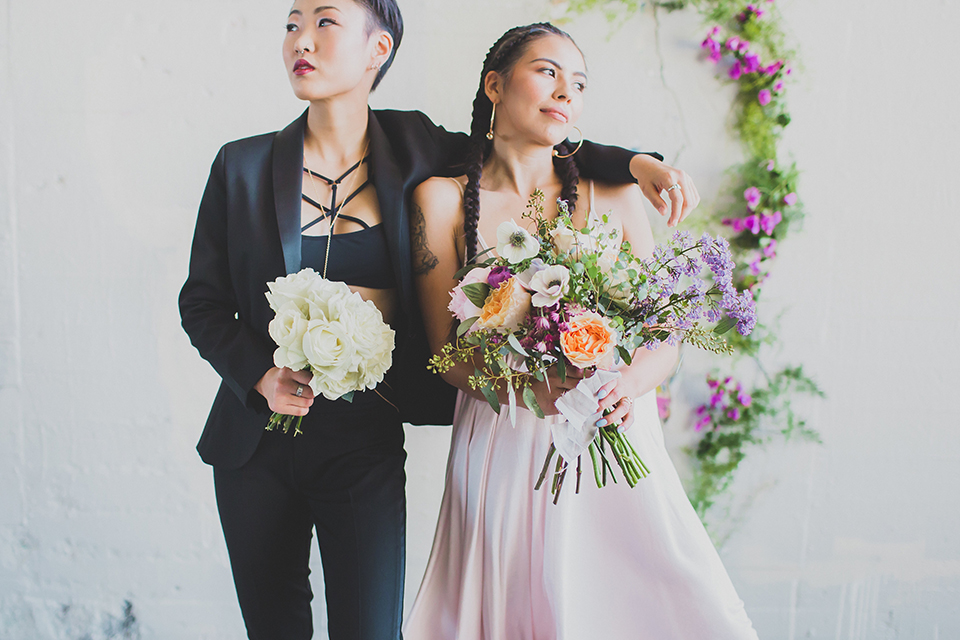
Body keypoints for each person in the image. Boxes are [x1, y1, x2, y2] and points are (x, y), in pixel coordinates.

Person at [178, 1, 699, 638]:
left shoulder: (416, 147)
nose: (300, 40)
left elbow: (539, 138)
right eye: (291, 24)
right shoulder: (241, 165)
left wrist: (640, 163)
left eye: (324, 21)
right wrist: (260, 375)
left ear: (379, 49)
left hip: (364, 435)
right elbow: (200, 302)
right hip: (253, 438)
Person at [406, 22, 758, 639]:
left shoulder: (616, 193)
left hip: (613, 427)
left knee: (641, 603)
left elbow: (664, 333)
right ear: (495, 84)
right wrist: (527, 390)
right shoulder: (439, 200)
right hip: (503, 438)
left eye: (580, 83)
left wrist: (627, 385)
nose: (566, 90)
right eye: (547, 71)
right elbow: (445, 352)